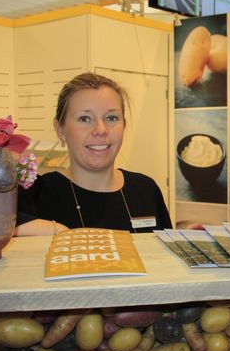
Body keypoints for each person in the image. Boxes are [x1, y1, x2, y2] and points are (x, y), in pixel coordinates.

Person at [15, 73, 171, 235]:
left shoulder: (146, 190)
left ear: (124, 125)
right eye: (84, 119)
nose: (101, 130)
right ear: (60, 130)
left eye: (111, 118)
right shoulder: (35, 195)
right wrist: (54, 230)